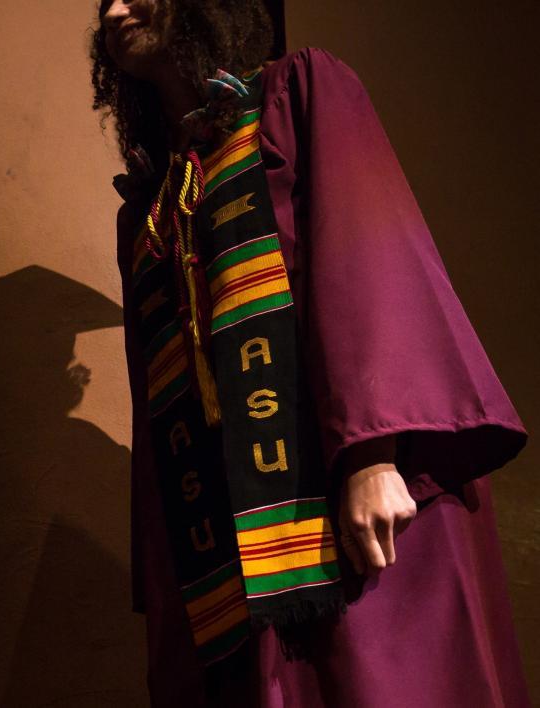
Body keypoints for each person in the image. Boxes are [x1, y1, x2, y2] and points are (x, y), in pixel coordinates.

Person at [91, 0, 529, 705]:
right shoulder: (152, 204)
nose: (114, 8)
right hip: (236, 550)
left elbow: (368, 250)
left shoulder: (297, 96)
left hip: (357, 501)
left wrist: (373, 453)